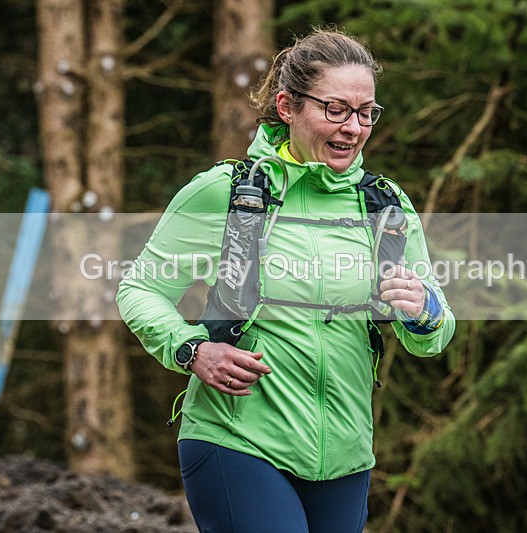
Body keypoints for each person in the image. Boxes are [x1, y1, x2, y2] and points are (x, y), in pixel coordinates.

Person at [117, 27, 455, 533]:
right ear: (287, 107)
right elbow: (140, 289)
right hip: (236, 438)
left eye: (366, 113)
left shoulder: (385, 205)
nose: (353, 128)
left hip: (345, 454)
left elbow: (433, 334)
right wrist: (192, 350)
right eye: (335, 110)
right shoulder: (226, 193)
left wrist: (425, 310)